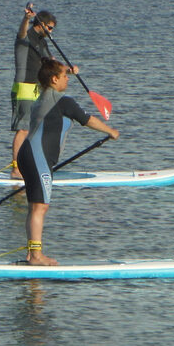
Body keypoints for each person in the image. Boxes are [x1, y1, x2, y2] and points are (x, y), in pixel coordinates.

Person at [17, 58, 120, 266]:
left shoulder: (42, 97)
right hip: (38, 157)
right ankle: (36, 256)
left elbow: (52, 75)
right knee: (40, 207)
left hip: (27, 154)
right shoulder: (63, 101)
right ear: (54, 79)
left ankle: (32, 255)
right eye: (64, 77)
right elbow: (87, 119)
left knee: (34, 207)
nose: (68, 80)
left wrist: (68, 70)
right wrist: (110, 131)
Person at [10, 4, 78, 179]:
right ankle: (16, 169)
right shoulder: (25, 37)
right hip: (24, 87)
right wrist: (26, 18)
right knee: (23, 129)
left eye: (52, 29)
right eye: (49, 28)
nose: (50, 32)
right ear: (39, 24)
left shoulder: (43, 42)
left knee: (38, 127)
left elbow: (52, 63)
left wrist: (68, 70)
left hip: (38, 88)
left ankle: (32, 165)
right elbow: (22, 31)